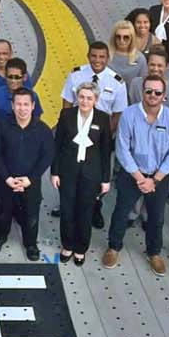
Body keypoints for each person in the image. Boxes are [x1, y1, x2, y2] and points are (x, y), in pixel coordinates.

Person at [103, 74, 169, 273]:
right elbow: (122, 149)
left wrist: (155, 179)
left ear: (164, 96)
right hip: (132, 175)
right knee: (121, 212)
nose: (152, 95)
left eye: (157, 92)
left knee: (156, 217)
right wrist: (140, 178)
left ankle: (154, 253)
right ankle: (113, 247)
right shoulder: (129, 115)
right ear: (142, 93)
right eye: (149, 91)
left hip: (158, 177)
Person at [0, 88, 54, 260]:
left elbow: (46, 157)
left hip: (30, 183)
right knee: (3, 211)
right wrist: (7, 178)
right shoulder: (1, 126)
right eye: (18, 104)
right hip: (5, 181)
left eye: (26, 104)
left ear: (33, 106)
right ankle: (0, 236)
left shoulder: (43, 130)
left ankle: (31, 244)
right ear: (12, 105)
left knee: (31, 214)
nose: (22, 108)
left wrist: (30, 179)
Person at [52, 84, 113, 266]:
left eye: (89, 98)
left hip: (91, 173)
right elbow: (57, 145)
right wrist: (54, 172)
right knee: (67, 209)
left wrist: (105, 179)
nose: (85, 101)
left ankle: (81, 248)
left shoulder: (103, 119)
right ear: (77, 98)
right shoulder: (67, 115)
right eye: (82, 97)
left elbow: (105, 151)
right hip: (68, 170)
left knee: (85, 211)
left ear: (96, 100)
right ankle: (67, 245)